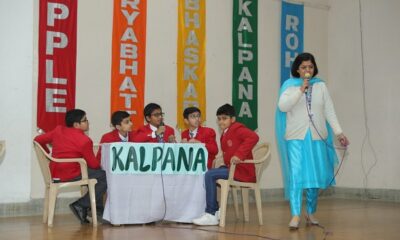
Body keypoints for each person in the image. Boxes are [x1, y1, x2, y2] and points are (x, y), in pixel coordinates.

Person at [275, 52, 349, 229]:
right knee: (296, 176)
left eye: (310, 66)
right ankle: (295, 215)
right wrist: (301, 90)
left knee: (314, 177)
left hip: (317, 137)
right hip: (295, 138)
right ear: (297, 69)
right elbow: (283, 106)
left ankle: (310, 212)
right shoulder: (290, 86)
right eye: (304, 67)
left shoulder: (321, 86)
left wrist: (339, 132)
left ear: (314, 68)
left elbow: (329, 111)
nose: (307, 70)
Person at [34, 109, 107, 224]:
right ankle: (81, 205)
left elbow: (37, 140)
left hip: (54, 172)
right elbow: (93, 164)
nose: (88, 122)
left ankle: (90, 209)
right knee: (102, 175)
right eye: (85, 120)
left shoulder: (58, 130)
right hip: (71, 173)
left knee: (94, 174)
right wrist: (101, 164)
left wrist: (48, 155)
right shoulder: (85, 140)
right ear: (76, 124)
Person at [192, 104, 259, 225]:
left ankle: (211, 213)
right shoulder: (225, 133)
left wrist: (239, 155)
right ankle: (216, 210)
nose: (221, 121)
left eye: (224, 118)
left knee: (209, 174)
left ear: (232, 119)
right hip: (233, 169)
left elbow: (253, 137)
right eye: (219, 119)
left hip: (242, 171)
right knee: (214, 170)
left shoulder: (238, 129)